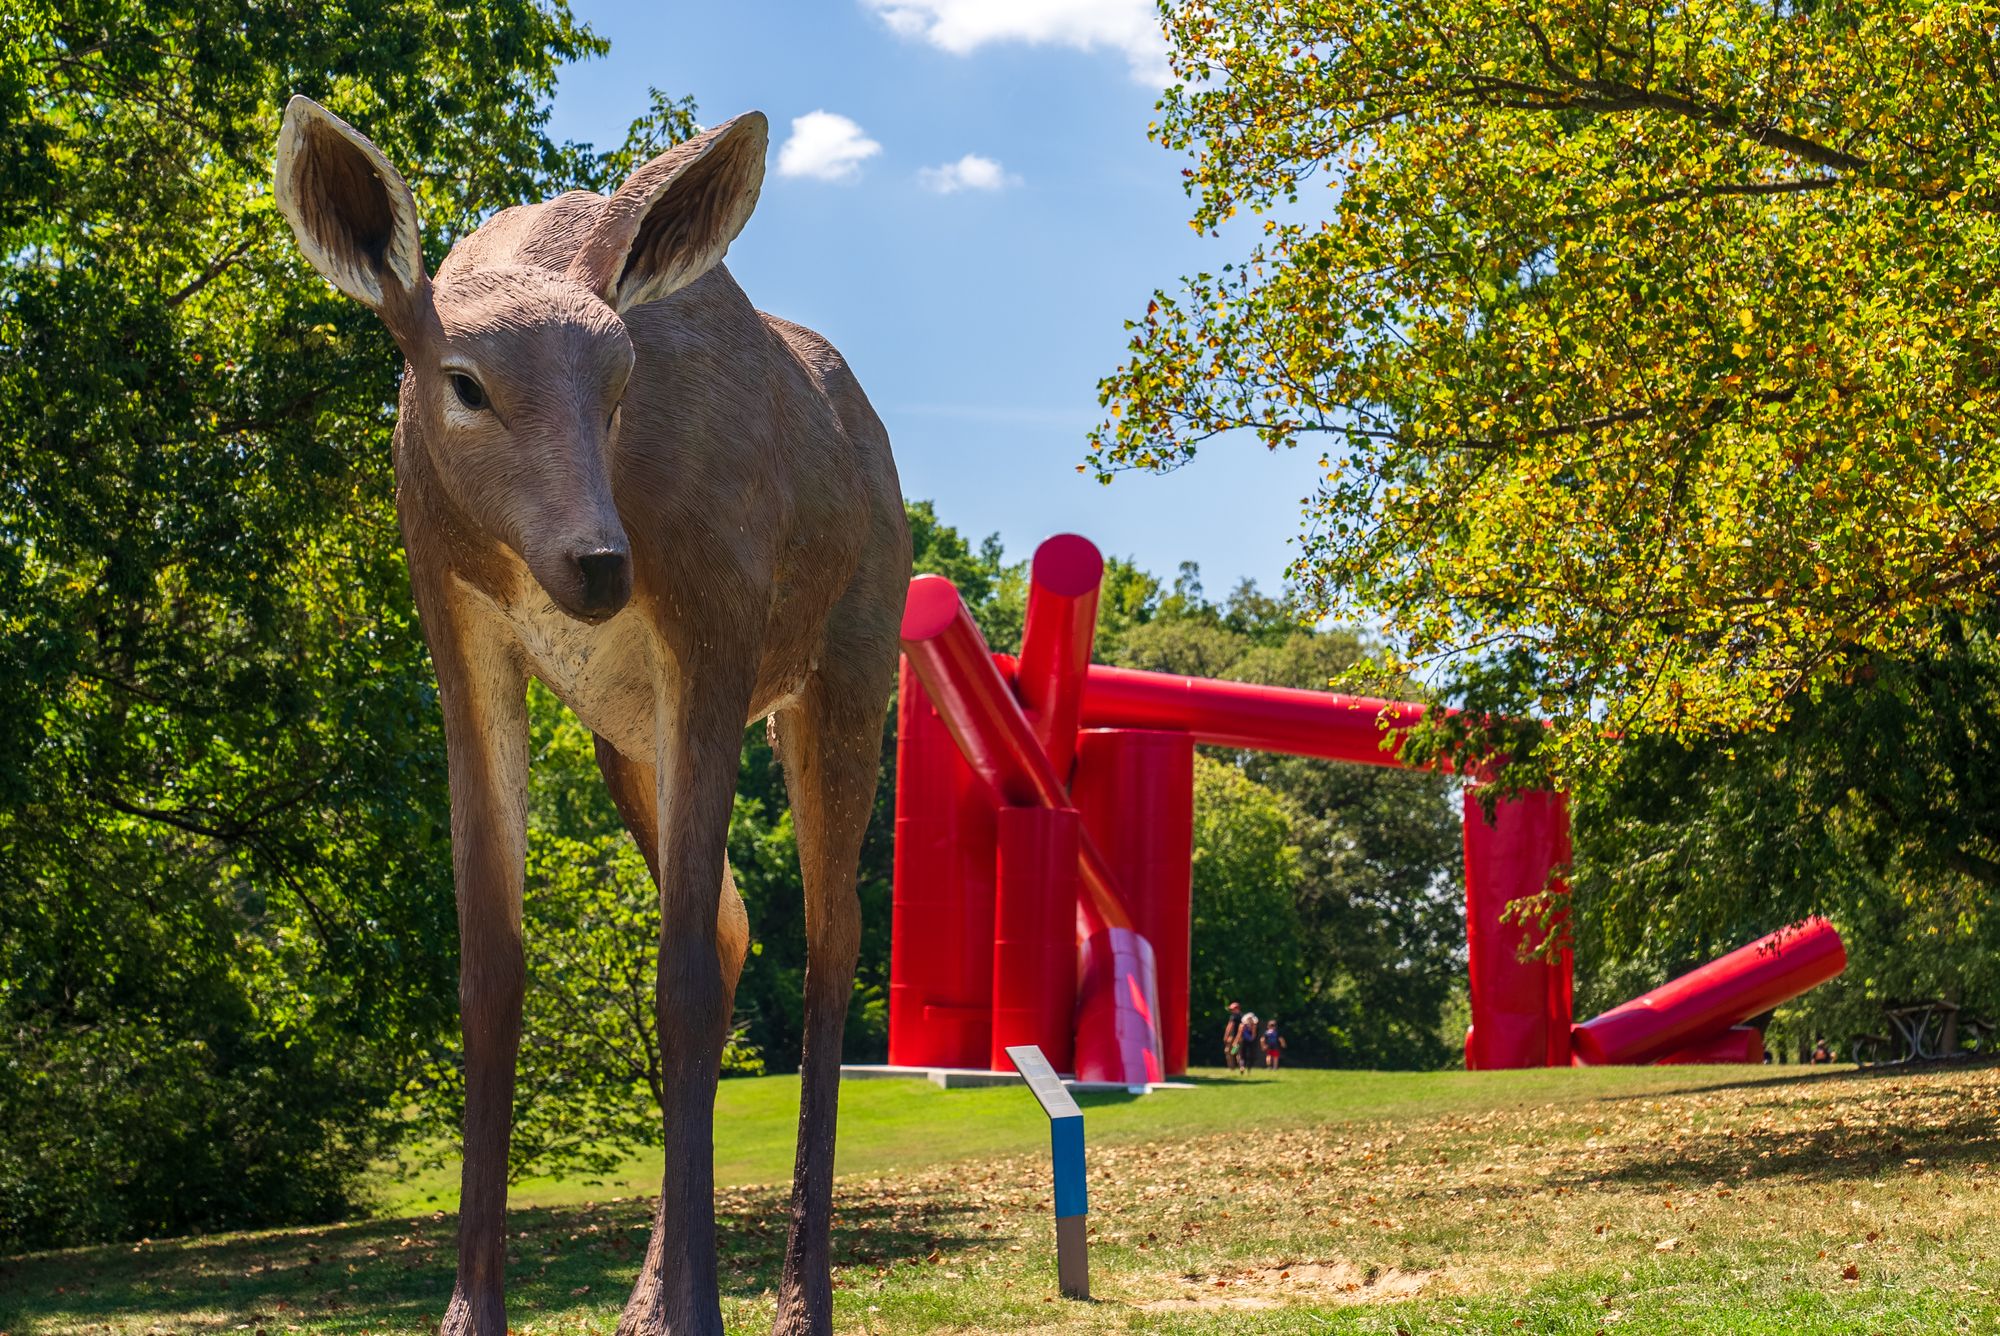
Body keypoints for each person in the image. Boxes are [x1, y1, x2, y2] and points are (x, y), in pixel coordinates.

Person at [1222, 1001, 1244, 1072]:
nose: (1231, 1011)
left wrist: (1226, 1036)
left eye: (1232, 1009)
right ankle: (1241, 1067)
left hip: (1234, 1038)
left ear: (1237, 1008)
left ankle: (1231, 1067)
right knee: (1237, 1052)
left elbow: (1229, 1027)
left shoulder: (1233, 1017)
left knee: (1228, 1051)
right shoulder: (1242, 1017)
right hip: (1240, 1038)